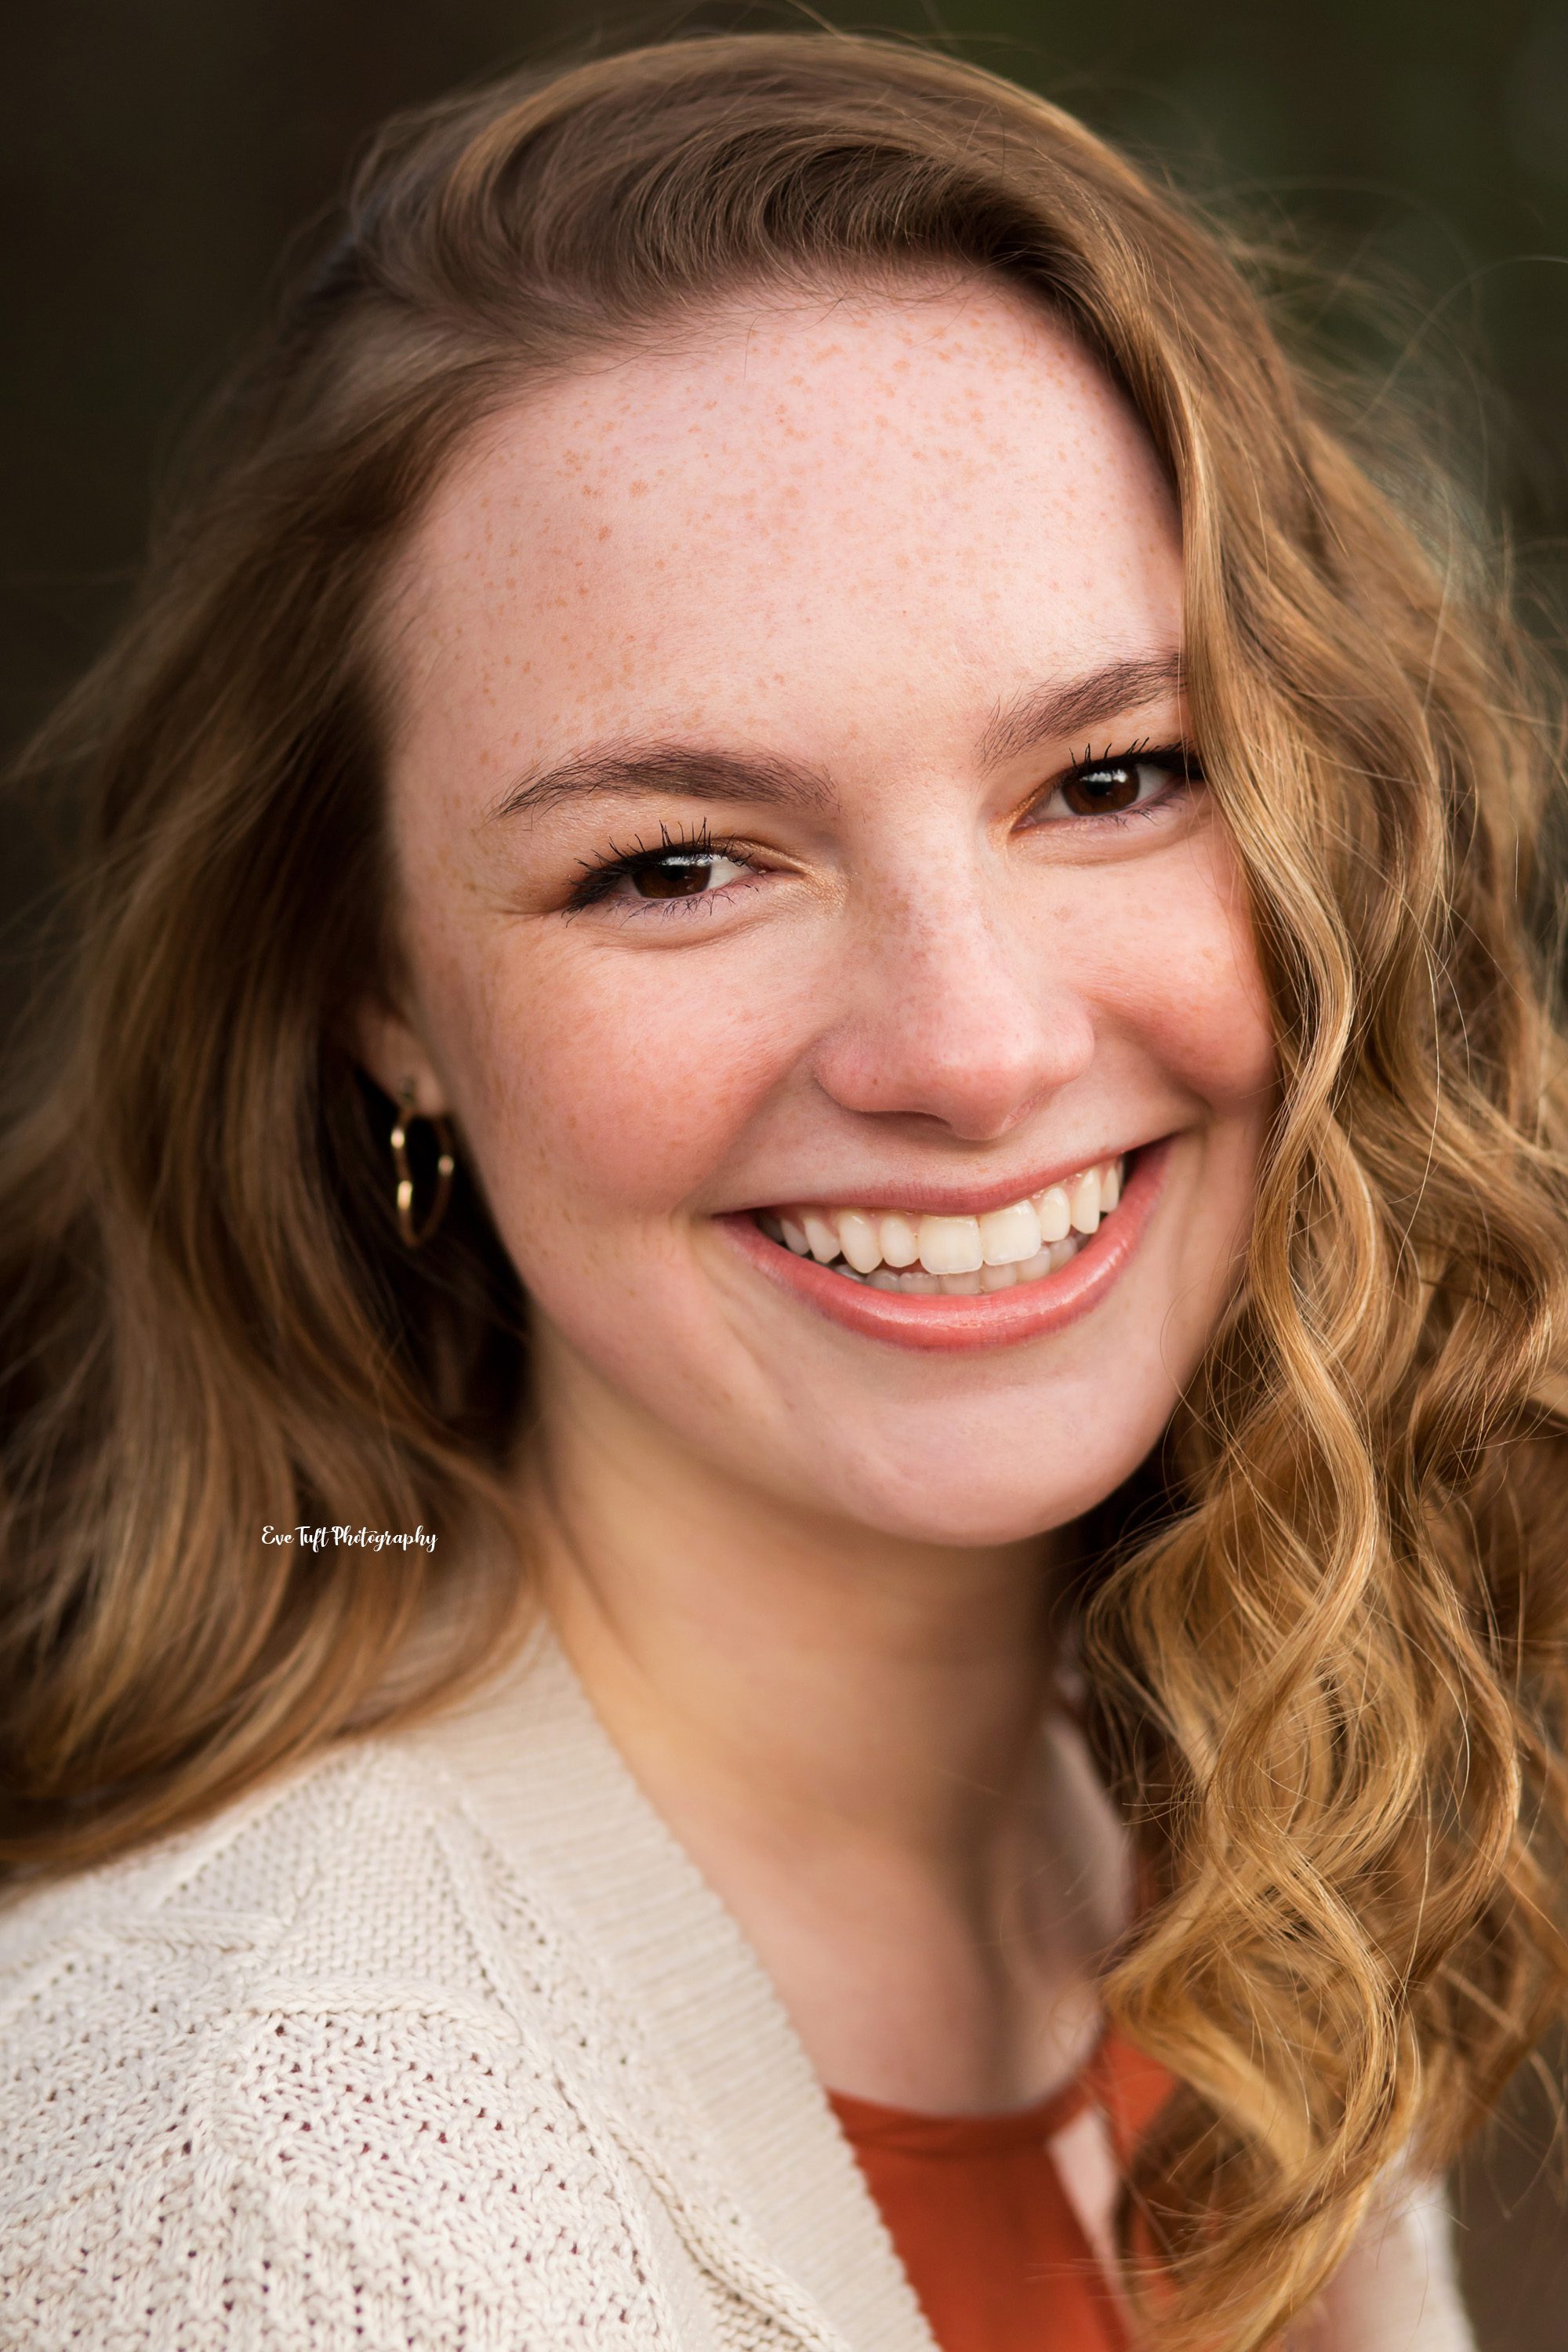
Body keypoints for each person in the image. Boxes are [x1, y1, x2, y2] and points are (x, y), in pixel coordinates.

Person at [2, 31, 1564, 2351]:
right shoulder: (263, 2154)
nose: (974, 1047)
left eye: (1115, 775)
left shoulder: (1217, 1840)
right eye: (677, 864)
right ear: (379, 995)